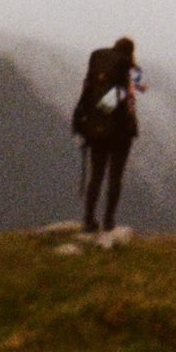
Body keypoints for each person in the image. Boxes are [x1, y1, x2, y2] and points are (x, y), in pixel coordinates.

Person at [70, 36, 142, 233]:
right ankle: (108, 220)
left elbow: (88, 93)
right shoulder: (130, 68)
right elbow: (138, 86)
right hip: (121, 131)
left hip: (97, 128)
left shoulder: (98, 64)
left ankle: (88, 220)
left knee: (96, 175)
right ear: (130, 52)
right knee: (115, 176)